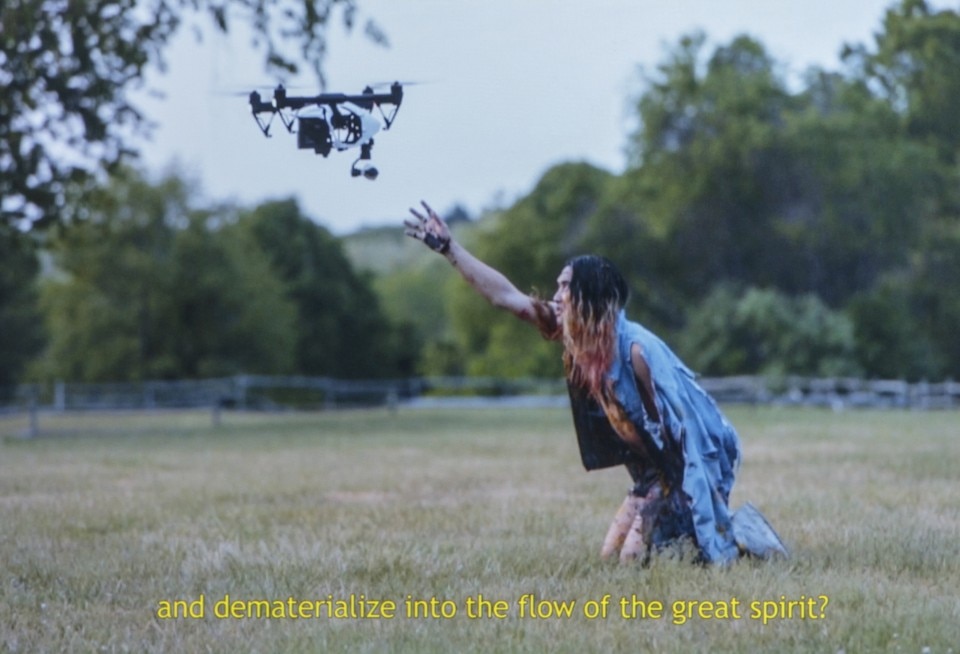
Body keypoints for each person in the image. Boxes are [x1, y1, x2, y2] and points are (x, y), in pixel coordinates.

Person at [404, 202, 787, 565]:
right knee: (612, 556)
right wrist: (450, 249)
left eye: (565, 287)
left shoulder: (638, 351)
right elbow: (505, 297)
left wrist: (699, 512)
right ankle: (687, 536)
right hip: (651, 470)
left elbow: (686, 438)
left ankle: (740, 536)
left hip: (691, 460)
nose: (557, 296)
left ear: (590, 297)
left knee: (647, 557)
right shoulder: (576, 334)